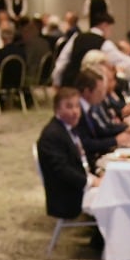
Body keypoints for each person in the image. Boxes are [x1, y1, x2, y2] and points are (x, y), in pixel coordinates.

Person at [35, 87, 101, 221]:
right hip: (68, 196)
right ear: (57, 109)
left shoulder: (67, 128)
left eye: (77, 106)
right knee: (116, 196)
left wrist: (97, 174)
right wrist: (91, 181)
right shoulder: (52, 135)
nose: (75, 111)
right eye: (69, 107)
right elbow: (62, 171)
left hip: (77, 188)